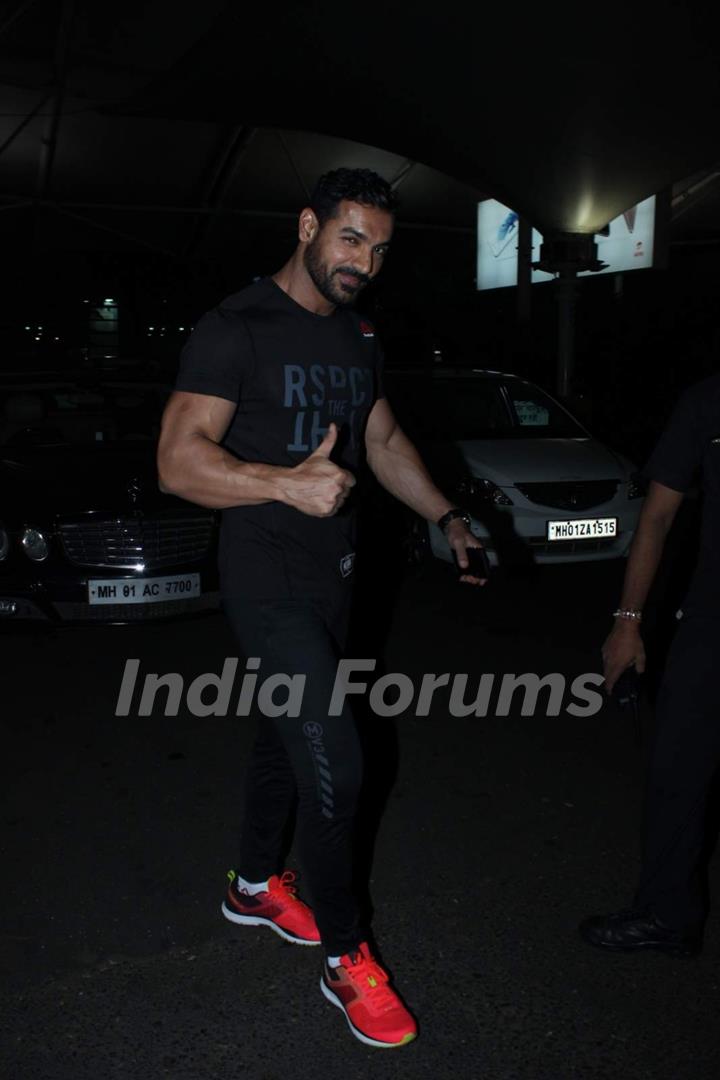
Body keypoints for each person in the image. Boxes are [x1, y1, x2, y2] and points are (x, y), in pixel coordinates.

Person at [157, 168, 486, 1048]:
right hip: (266, 578)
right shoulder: (236, 328)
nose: (363, 262)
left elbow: (378, 437)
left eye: (378, 249)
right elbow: (179, 463)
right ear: (307, 224)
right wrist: (282, 486)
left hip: (334, 578)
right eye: (350, 239)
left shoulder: (359, 333)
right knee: (336, 756)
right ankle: (348, 959)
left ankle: (255, 885)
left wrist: (444, 515)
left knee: (284, 738)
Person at [579, 372, 720, 956]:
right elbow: (656, 516)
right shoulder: (707, 399)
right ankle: (667, 915)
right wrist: (627, 621)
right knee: (677, 771)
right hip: (711, 624)